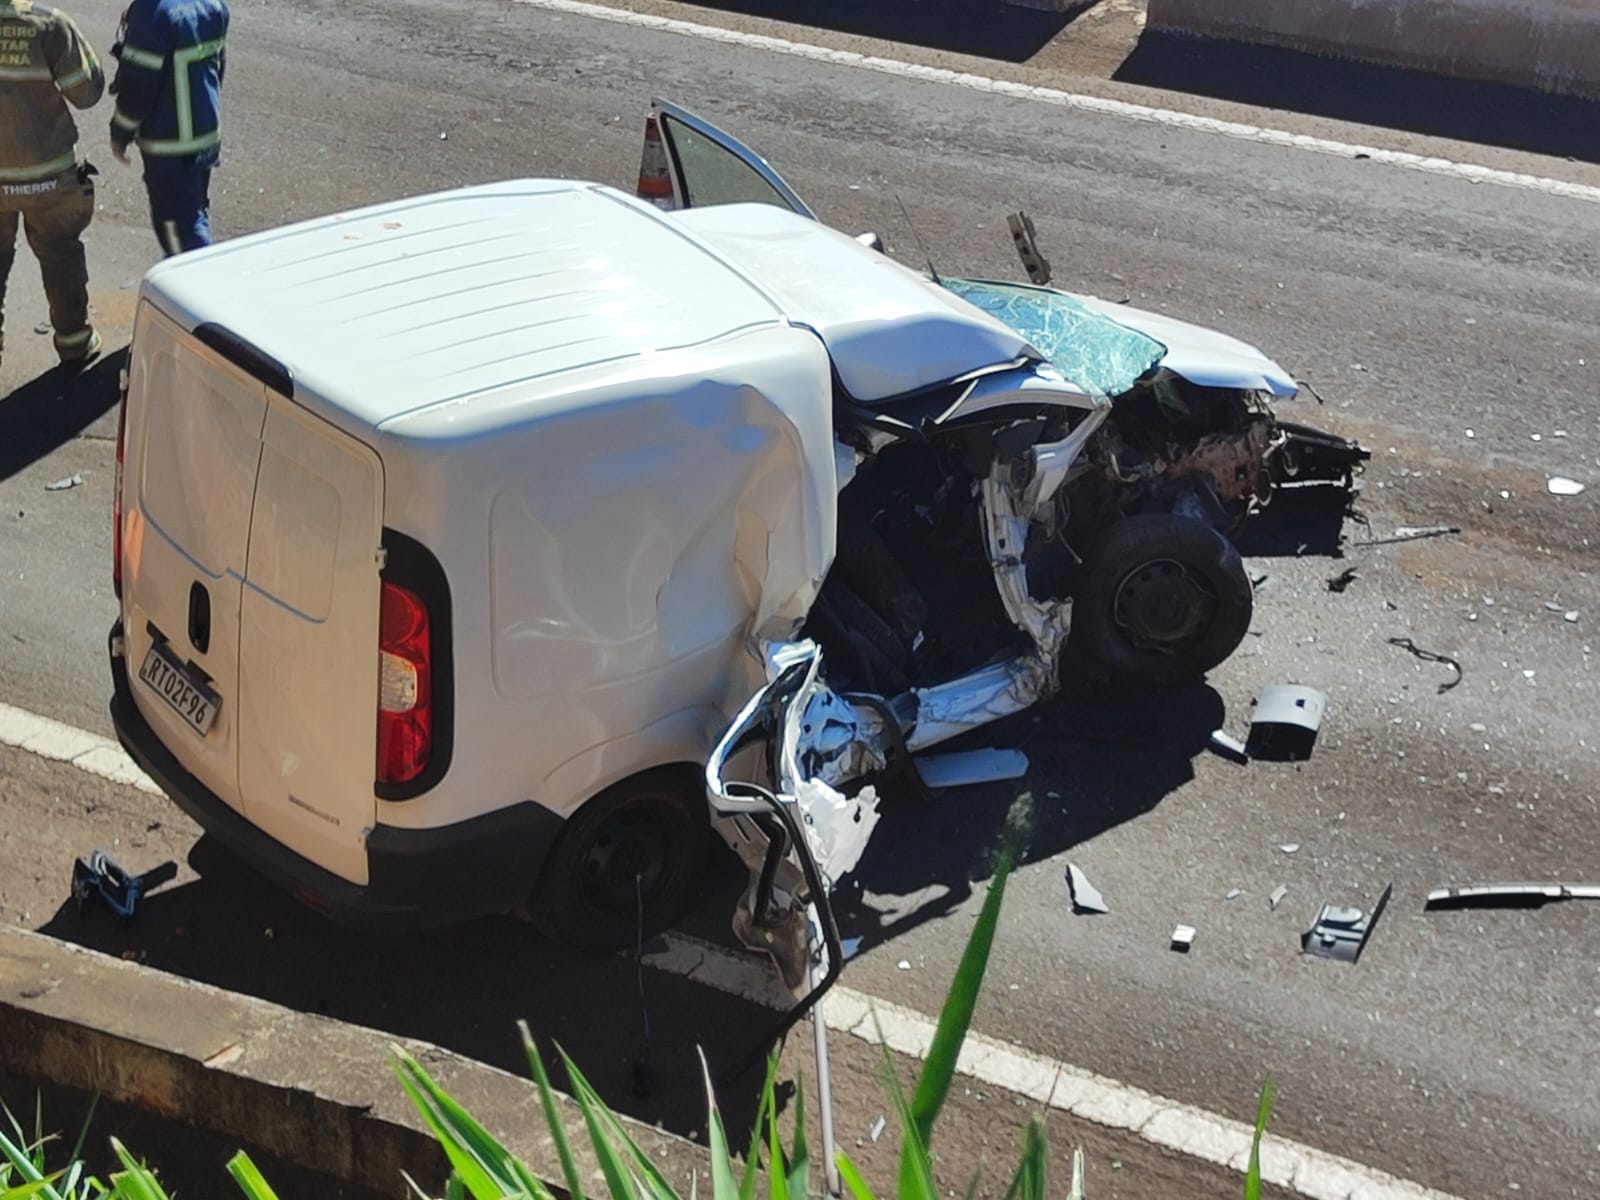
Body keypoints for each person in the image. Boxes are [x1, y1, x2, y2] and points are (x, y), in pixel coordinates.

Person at [0, 0, 104, 371]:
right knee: (61, 256)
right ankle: (75, 344)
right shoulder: (50, 25)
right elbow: (88, 93)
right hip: (48, 176)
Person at [108, 0, 227, 256]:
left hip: (169, 145)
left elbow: (137, 88)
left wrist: (120, 133)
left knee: (180, 230)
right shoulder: (213, 5)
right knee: (195, 212)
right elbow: (218, 69)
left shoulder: (153, 14)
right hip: (206, 135)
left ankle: (196, 286)